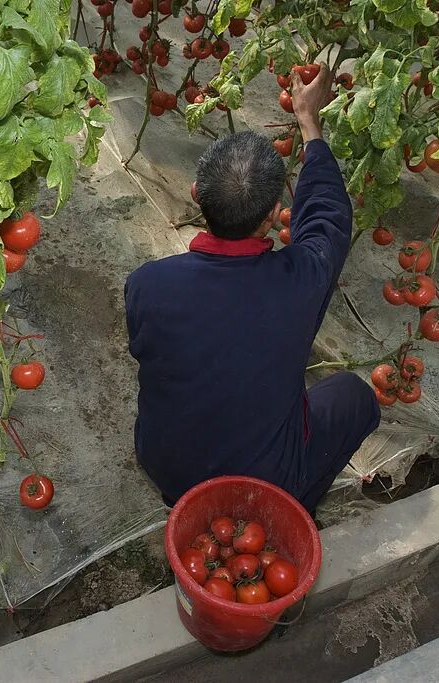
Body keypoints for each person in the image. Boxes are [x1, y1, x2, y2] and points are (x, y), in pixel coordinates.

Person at [124, 64, 380, 513]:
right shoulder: (300, 280)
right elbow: (327, 217)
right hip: (259, 478)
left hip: (167, 464)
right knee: (354, 397)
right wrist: (309, 123)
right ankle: (290, 506)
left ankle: (184, 497)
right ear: (273, 216)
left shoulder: (147, 285)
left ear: (195, 194)